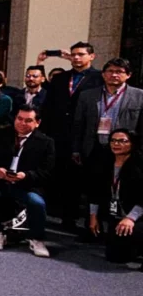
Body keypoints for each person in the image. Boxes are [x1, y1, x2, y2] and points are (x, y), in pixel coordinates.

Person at [40, 42, 103, 232]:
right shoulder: (61, 78)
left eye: (81, 54)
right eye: (74, 54)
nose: (76, 58)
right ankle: (53, 217)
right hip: (57, 135)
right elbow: (48, 106)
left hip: (84, 136)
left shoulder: (99, 79)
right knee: (56, 177)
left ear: (91, 56)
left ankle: (80, 221)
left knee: (79, 181)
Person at [0, 106, 55, 257]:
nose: (22, 123)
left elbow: (47, 172)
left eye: (28, 120)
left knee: (37, 202)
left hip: (27, 186)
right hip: (0, 182)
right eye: (19, 119)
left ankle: (37, 238)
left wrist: (26, 175)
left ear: (37, 123)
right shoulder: (1, 134)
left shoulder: (46, 142)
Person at [72, 58, 143, 167]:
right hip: (94, 148)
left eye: (119, 72)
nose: (114, 75)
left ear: (128, 75)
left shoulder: (139, 96)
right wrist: (76, 149)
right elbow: (78, 124)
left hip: (125, 150)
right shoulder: (87, 95)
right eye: (110, 71)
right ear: (103, 74)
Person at [88, 129, 143, 265]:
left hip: (137, 215)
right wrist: (93, 216)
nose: (116, 144)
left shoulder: (139, 165)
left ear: (132, 144)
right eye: (113, 140)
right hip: (116, 214)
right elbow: (95, 191)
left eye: (122, 141)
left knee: (134, 232)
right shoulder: (105, 163)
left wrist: (130, 218)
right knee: (115, 257)